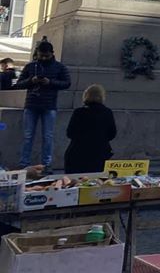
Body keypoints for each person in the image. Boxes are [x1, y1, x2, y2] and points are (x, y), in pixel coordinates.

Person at [13, 40, 71, 171]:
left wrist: (50, 82)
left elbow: (67, 83)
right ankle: (24, 163)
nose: (43, 58)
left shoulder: (59, 67)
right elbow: (19, 83)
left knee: (48, 136)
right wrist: (31, 80)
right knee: (28, 136)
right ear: (37, 54)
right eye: (41, 55)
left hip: (49, 105)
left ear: (52, 54)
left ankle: (46, 164)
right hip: (32, 104)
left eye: (46, 56)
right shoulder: (30, 66)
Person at [63, 84, 117, 174]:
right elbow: (112, 133)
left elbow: (70, 133)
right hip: (100, 154)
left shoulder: (79, 112)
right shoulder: (107, 112)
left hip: (77, 154)